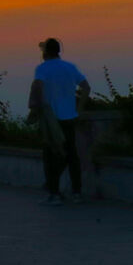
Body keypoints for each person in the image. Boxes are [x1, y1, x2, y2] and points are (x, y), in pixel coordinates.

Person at [30, 37, 90, 205]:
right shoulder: (70, 67)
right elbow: (86, 87)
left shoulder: (42, 68)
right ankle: (77, 193)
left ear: (46, 52)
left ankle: (54, 194)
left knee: (50, 156)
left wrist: (35, 106)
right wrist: (79, 109)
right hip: (70, 118)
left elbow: (37, 86)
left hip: (52, 119)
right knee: (72, 155)